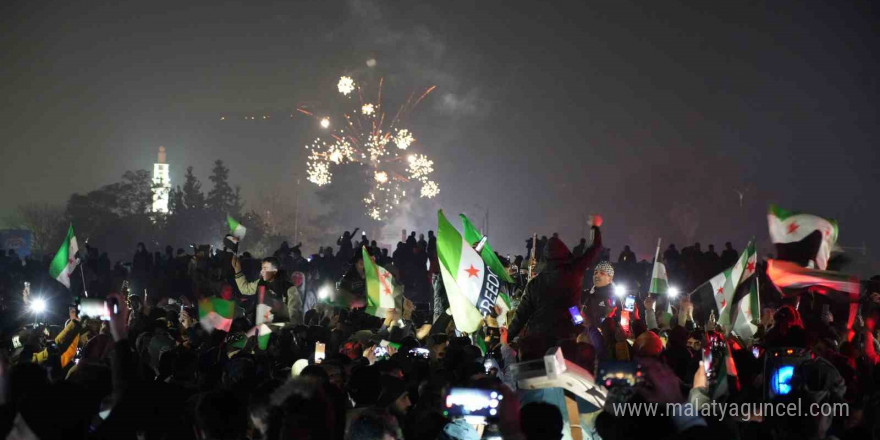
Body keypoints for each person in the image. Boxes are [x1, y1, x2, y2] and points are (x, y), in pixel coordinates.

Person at [507, 225, 602, 343]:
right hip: (566, 337)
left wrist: (506, 339)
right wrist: (595, 229)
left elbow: (520, 316)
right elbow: (593, 250)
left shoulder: (535, 283)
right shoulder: (573, 273)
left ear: (545, 258)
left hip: (537, 339)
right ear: (565, 253)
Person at [232, 255, 303, 325]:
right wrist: (237, 270)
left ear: (274, 271)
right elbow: (245, 289)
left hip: (279, 332)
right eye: (262, 268)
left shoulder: (289, 289)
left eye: (265, 269)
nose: (262, 271)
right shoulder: (261, 283)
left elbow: (294, 317)